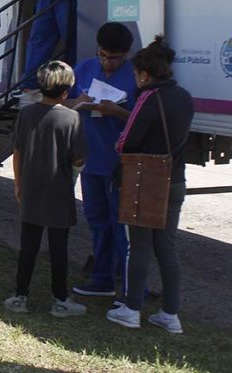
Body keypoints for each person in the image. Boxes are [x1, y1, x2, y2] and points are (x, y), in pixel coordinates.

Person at [106, 36, 194, 334]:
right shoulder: (183, 96)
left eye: (135, 74)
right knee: (167, 247)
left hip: (146, 180)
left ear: (144, 74)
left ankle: (131, 309)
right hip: (175, 178)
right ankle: (170, 313)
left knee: (139, 246)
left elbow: (126, 140)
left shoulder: (149, 97)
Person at [3, 61, 88, 318]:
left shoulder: (27, 114)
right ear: (66, 91)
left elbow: (17, 152)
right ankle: (60, 299)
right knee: (58, 247)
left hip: (31, 188)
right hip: (59, 191)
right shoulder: (72, 118)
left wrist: (18, 183)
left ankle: (20, 295)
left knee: (28, 246)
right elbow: (79, 158)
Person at [69, 23, 137, 297]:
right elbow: (60, 102)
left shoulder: (135, 76)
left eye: (114, 58)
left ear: (126, 54)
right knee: (97, 220)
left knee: (121, 226)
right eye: (103, 56)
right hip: (91, 159)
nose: (107, 63)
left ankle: (131, 287)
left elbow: (146, 119)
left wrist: (118, 112)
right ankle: (102, 278)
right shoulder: (84, 69)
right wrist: (78, 102)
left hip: (120, 164)